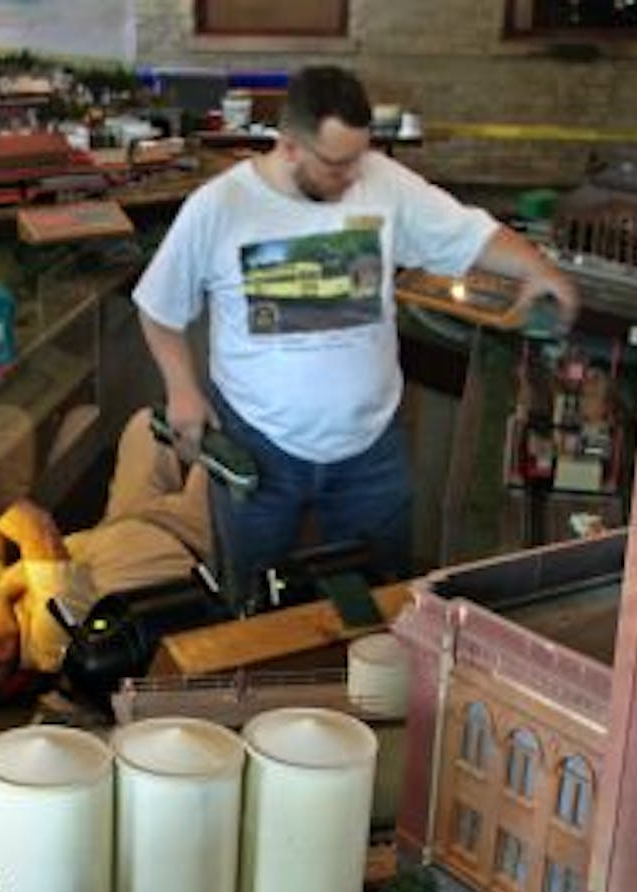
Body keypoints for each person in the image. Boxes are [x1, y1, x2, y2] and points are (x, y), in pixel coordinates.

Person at [133, 65, 579, 605]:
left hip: (370, 449)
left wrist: (538, 269)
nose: (352, 177)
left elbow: (469, 232)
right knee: (249, 603)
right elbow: (158, 307)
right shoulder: (220, 206)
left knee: (378, 599)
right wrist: (182, 389)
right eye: (337, 164)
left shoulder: (381, 179)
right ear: (291, 145)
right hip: (258, 441)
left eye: (360, 158)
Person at [0, 410, 209, 699]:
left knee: (148, 423)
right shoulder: (51, 642)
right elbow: (38, 531)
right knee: (230, 450)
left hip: (125, 522)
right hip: (191, 539)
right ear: (2, 649)